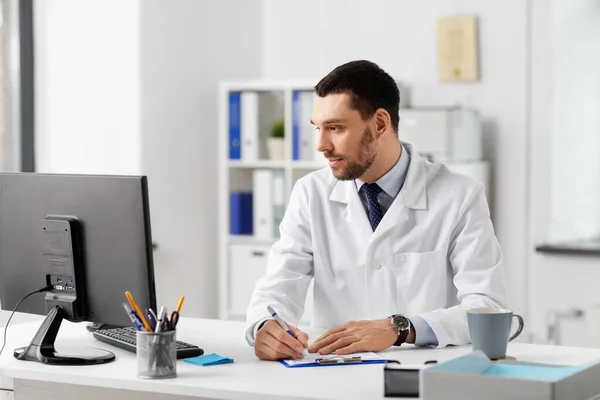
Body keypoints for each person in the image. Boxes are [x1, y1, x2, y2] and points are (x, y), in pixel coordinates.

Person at [245, 60, 510, 361]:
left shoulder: (460, 195)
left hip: (422, 374)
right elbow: (281, 280)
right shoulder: (310, 193)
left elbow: (486, 306)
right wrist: (265, 325)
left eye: (335, 128)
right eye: (318, 129)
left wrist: (401, 328)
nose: (320, 145)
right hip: (333, 374)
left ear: (380, 124)